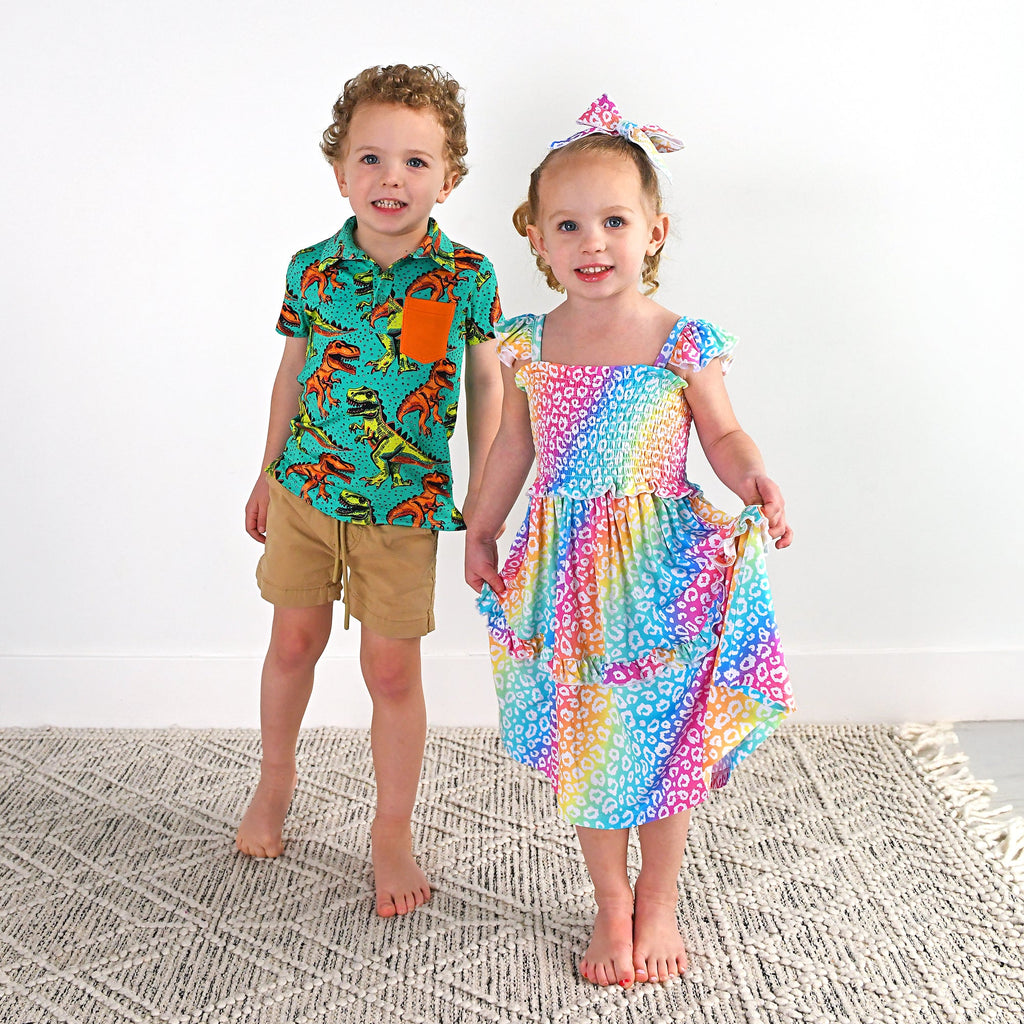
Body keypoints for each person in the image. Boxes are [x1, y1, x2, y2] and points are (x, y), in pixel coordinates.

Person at [465, 96, 794, 987]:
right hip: (570, 576)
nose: (593, 242)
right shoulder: (529, 345)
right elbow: (511, 449)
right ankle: (611, 900)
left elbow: (723, 434)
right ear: (537, 238)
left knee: (664, 738)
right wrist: (483, 526)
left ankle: (660, 892)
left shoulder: (679, 342)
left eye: (614, 220)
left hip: (663, 571)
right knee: (594, 741)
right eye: (568, 224)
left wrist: (754, 480)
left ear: (655, 232)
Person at [239, 65, 503, 919]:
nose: (393, 178)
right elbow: (291, 374)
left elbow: (487, 385)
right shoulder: (311, 270)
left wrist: (485, 498)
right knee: (292, 644)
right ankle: (275, 778)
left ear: (448, 178)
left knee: (391, 670)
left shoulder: (466, 276)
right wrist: (266, 469)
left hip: (403, 507)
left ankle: (392, 828)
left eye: (416, 162)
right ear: (340, 171)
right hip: (306, 492)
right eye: (372, 159)